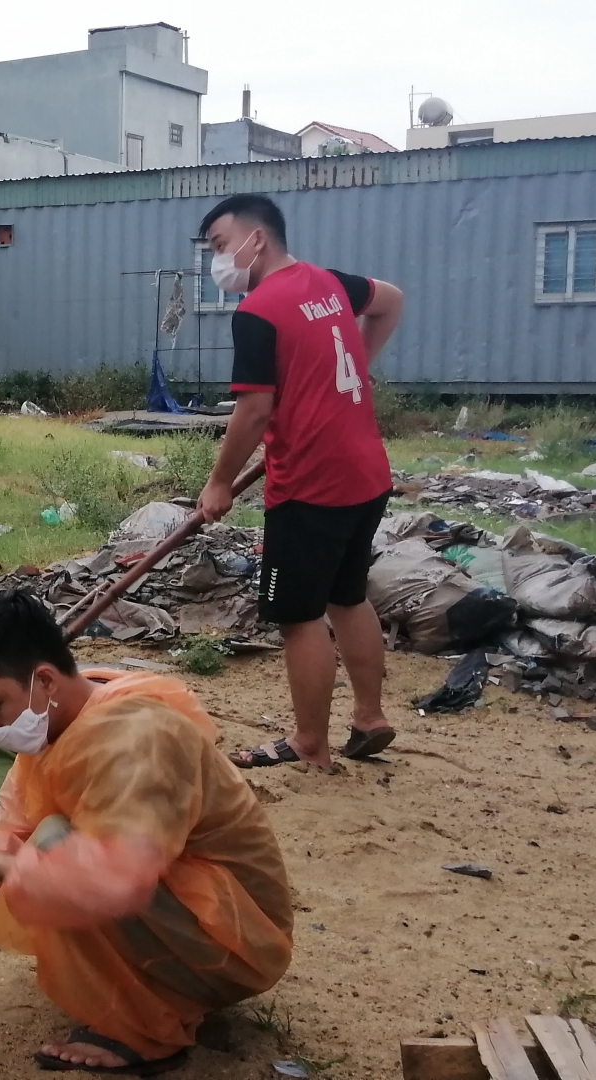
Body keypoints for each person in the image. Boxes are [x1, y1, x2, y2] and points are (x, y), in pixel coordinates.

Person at [0, 591, 293, 1074]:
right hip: (194, 915)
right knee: (44, 847)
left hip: (234, 946)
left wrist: (12, 866)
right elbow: (12, 822)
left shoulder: (136, 736)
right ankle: (144, 988)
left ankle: (149, 1033)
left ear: (45, 680)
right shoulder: (67, 717)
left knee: (55, 846)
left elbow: (117, 881)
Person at [191, 194, 406, 771]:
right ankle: (369, 716)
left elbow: (254, 410)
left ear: (256, 239)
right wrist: (353, 369)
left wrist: (219, 483)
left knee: (299, 616)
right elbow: (391, 300)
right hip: (366, 474)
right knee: (347, 595)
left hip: (310, 485)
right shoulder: (329, 283)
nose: (217, 261)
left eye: (220, 246)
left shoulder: (257, 310)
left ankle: (310, 741)